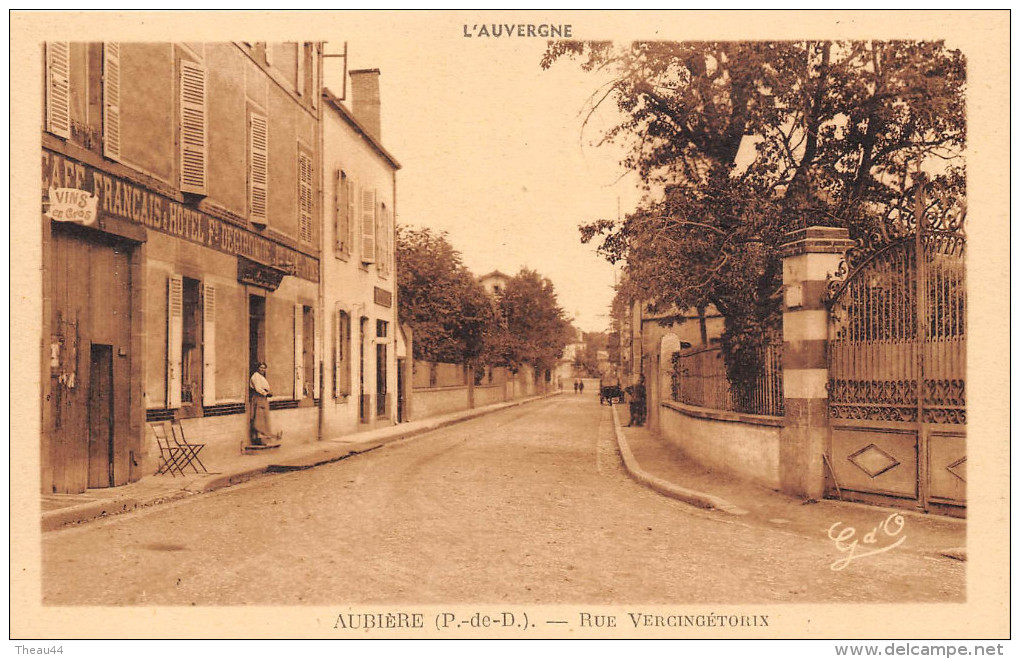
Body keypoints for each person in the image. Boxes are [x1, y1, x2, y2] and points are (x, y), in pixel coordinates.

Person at [249, 362, 274, 445]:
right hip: (258, 398)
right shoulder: (255, 376)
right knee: (258, 417)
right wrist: (266, 393)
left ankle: (264, 438)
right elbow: (258, 388)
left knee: (264, 417)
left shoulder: (261, 377)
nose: (262, 369)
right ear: (257, 368)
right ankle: (259, 438)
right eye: (261, 367)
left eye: (264, 368)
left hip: (263, 398)